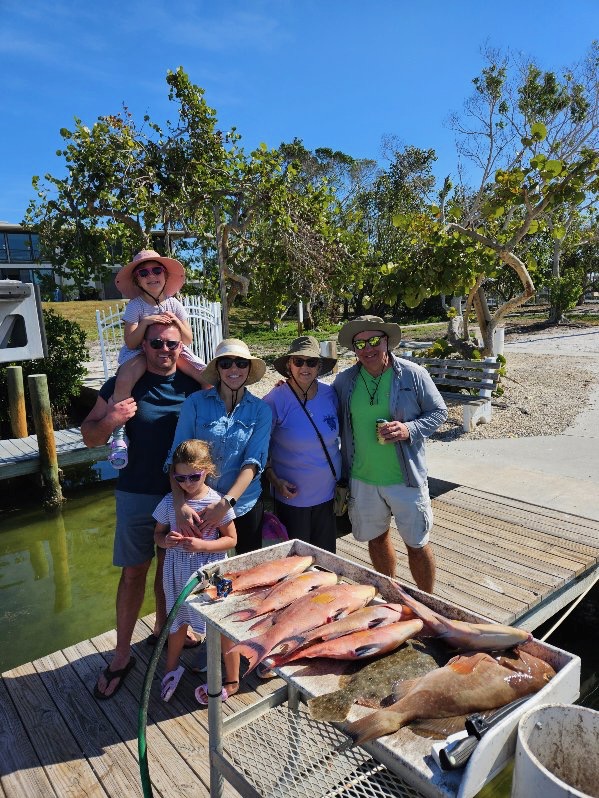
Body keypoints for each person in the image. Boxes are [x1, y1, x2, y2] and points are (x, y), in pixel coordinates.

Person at [81, 322, 202, 700]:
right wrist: (112, 420)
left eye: (172, 343)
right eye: (156, 343)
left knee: (171, 569)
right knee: (134, 572)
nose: (164, 349)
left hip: (181, 494)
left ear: (181, 345)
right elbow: (89, 435)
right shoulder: (125, 383)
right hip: (135, 492)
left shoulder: (193, 385)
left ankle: (163, 632)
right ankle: (120, 656)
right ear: (143, 345)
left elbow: (231, 395)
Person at [333, 315, 447, 593]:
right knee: (376, 539)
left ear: (387, 342)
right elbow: (320, 403)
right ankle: (391, 595)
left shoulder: (412, 374)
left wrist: (409, 429)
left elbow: (439, 412)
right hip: (362, 478)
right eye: (359, 343)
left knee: (417, 544)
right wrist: (287, 387)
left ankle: (428, 602)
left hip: (405, 478)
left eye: (374, 340)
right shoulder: (345, 381)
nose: (367, 348)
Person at [167, 339, 272, 556]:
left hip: (244, 504)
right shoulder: (194, 403)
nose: (234, 369)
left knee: (247, 569)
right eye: (226, 363)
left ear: (249, 368)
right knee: (204, 573)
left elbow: (253, 463)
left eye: (241, 363)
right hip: (199, 506)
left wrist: (224, 504)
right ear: (217, 369)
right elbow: (176, 458)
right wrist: (179, 506)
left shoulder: (262, 410)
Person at [154, 439, 238, 702]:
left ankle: (233, 678)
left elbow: (232, 540)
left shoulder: (217, 504)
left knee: (224, 626)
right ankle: (170, 668)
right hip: (177, 574)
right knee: (176, 623)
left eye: (194, 476)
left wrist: (202, 544)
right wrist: (165, 541)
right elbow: (157, 534)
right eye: (181, 477)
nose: (187, 483)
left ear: (207, 470)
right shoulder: (170, 502)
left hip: (212, 576)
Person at [109, 249, 207, 469]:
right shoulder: (135, 306)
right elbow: (131, 342)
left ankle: (205, 421)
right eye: (144, 272)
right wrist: (145, 323)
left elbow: (188, 339)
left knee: (206, 377)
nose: (151, 276)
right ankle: (119, 431)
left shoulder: (175, 304)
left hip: (174, 351)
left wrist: (177, 322)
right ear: (137, 279)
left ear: (165, 275)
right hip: (142, 353)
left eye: (156, 270)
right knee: (124, 379)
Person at [262, 336, 340, 553]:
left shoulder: (330, 394)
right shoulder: (274, 400)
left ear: (320, 366)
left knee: (326, 561)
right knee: (297, 565)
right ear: (289, 365)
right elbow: (260, 446)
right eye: (298, 361)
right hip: (292, 499)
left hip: (329, 495)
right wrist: (274, 479)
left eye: (311, 362)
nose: (304, 367)